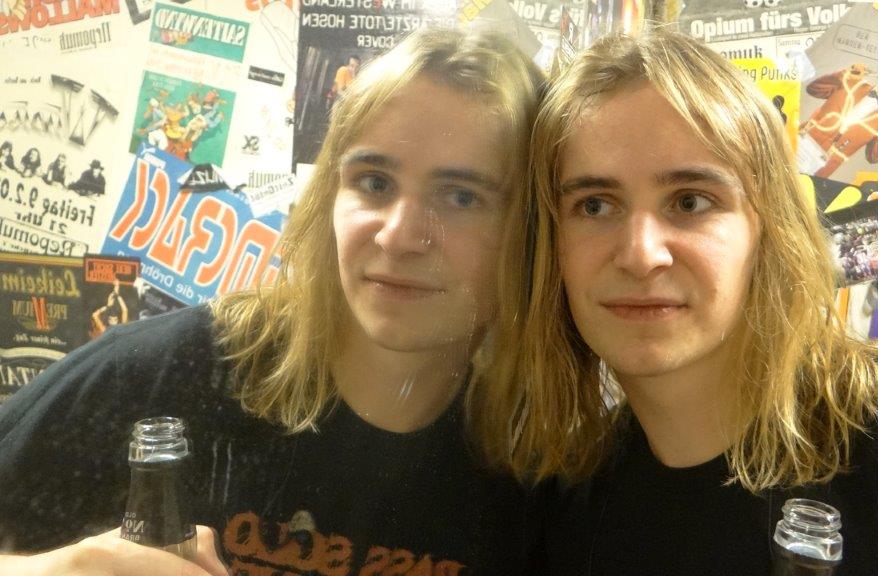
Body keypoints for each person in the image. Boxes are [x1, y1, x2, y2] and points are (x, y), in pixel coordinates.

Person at [471, 29, 878, 574]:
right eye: (594, 205)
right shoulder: (569, 505)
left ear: (768, 230)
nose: (640, 255)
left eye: (690, 201)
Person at [0, 28, 545, 576]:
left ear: (532, 232)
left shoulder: (543, 469)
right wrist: (62, 570)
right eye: (375, 182)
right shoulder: (165, 374)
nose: (399, 237)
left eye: (462, 197)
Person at [798, 60, 878, 179]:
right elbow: (813, 89)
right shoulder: (852, 81)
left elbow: (873, 157)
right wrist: (844, 74)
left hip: (820, 167)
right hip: (800, 142)